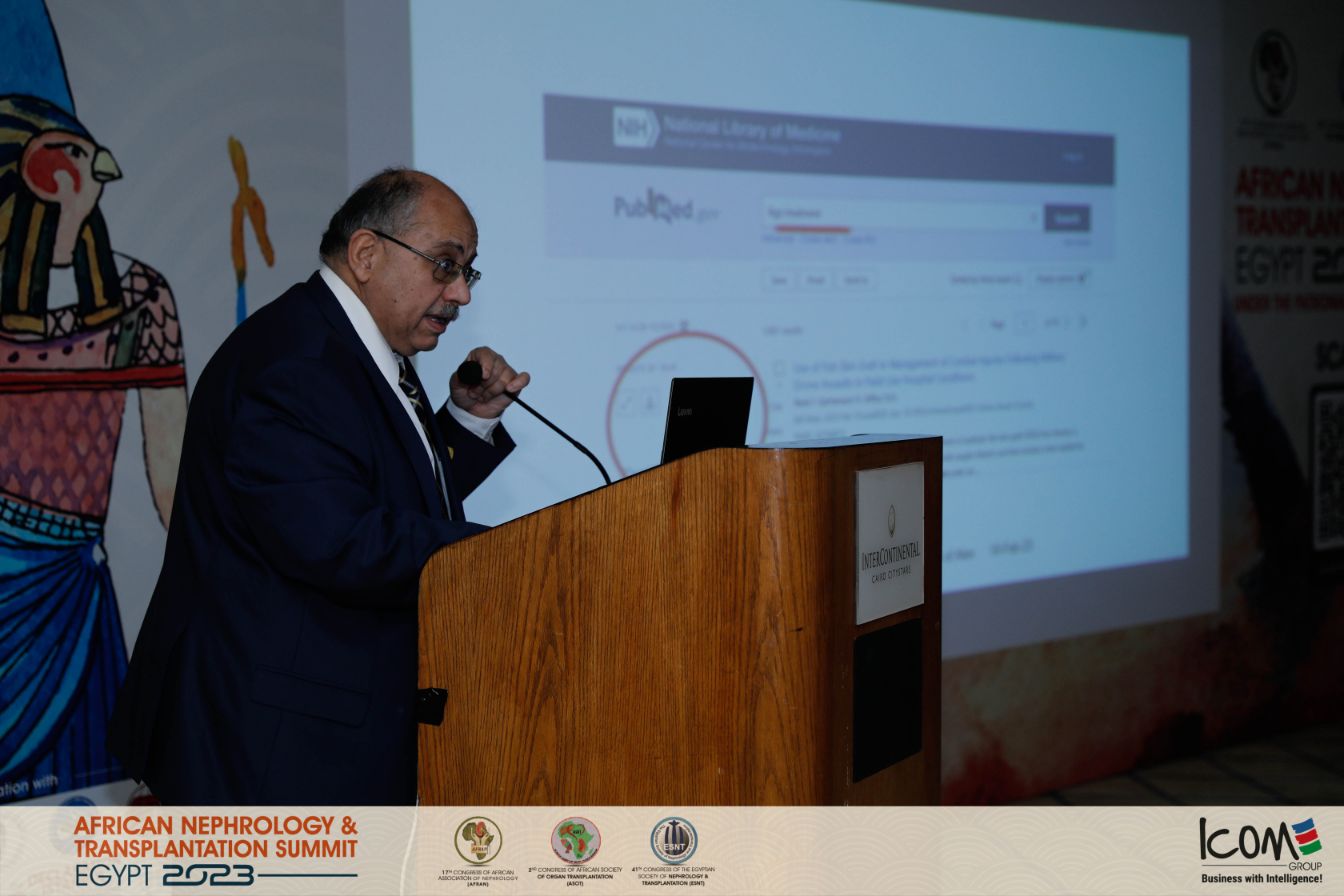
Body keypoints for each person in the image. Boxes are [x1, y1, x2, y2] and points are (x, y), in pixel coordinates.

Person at [108, 169, 526, 805]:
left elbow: (379, 492)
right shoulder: (295, 361)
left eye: (468, 271)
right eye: (445, 265)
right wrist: (513, 553)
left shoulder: (346, 347)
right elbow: (339, 540)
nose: (461, 293)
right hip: (270, 745)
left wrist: (466, 422)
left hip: (312, 728)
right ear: (367, 254)